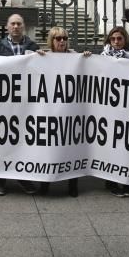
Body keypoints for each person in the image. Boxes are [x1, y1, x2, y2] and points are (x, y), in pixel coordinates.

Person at [0, 13, 39, 196]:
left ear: (23, 26)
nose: (16, 27)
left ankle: (24, 178)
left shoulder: (33, 47)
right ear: (7, 27)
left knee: (23, 140)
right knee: (1, 140)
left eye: (19, 24)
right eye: (13, 24)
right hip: (3, 103)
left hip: (25, 103)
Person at [38, 26, 91, 198]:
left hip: (71, 110)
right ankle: (45, 182)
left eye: (64, 38)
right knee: (48, 145)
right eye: (58, 38)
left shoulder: (76, 57)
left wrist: (87, 59)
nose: (62, 41)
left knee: (72, 145)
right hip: (50, 110)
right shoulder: (43, 57)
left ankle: (72, 184)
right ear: (51, 41)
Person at [101, 26, 129, 197]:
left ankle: (126, 180)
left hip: (126, 107)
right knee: (110, 145)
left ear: (124, 40)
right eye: (113, 39)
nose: (116, 42)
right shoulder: (102, 57)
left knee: (125, 145)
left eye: (119, 39)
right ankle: (111, 180)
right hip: (108, 109)